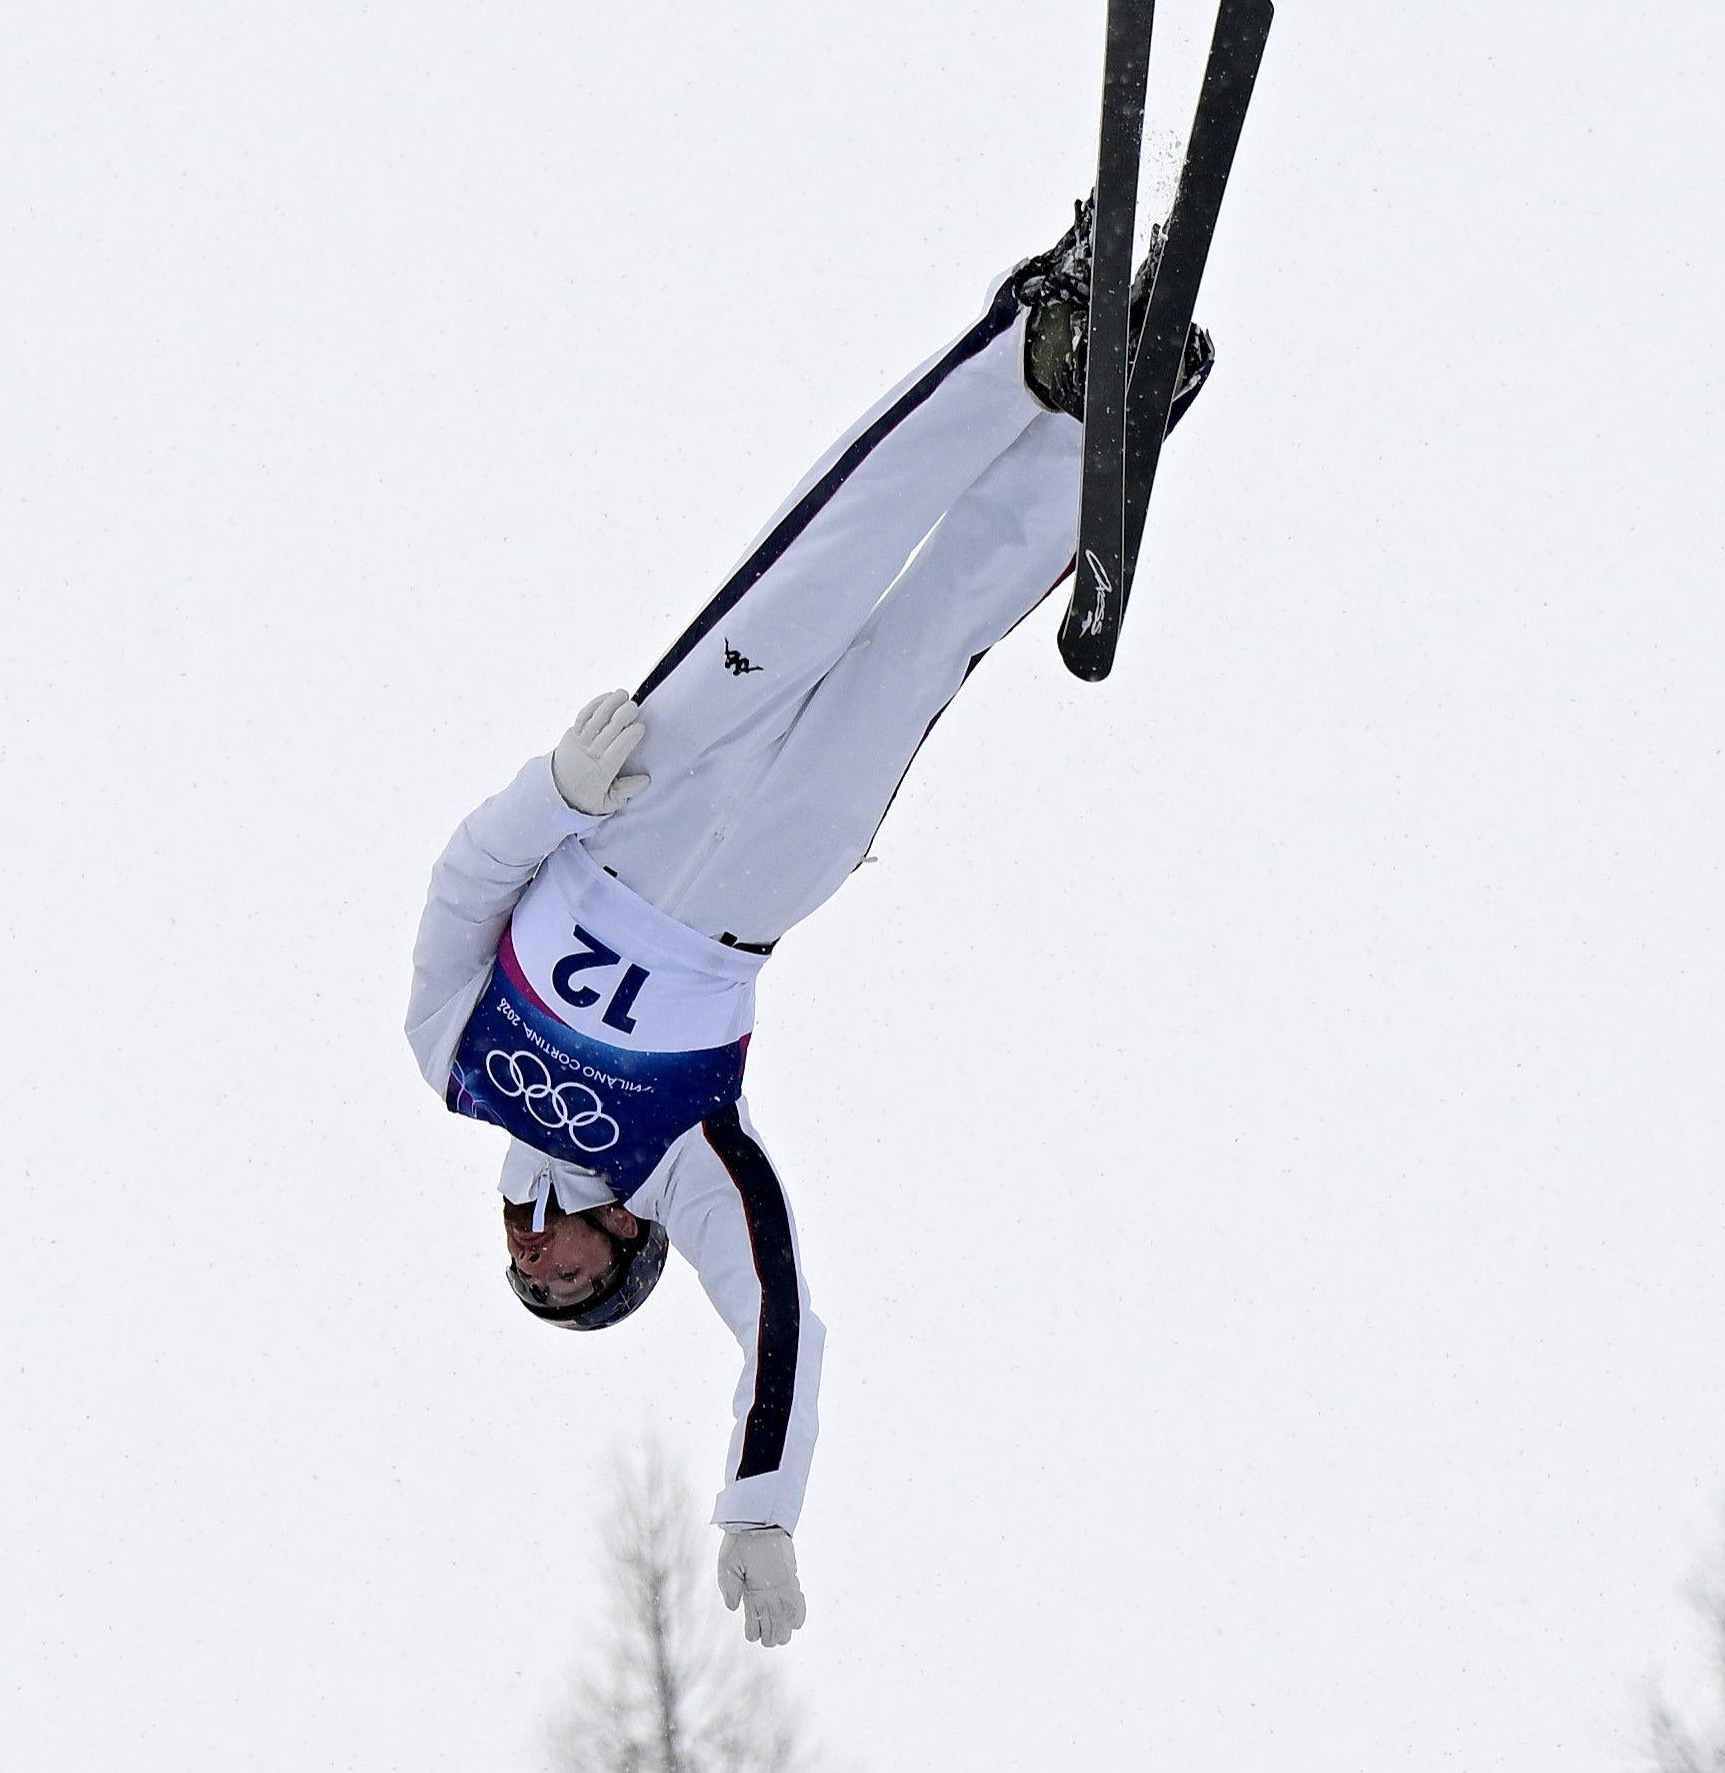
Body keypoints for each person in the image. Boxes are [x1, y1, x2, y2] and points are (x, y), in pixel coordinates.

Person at [403, 209, 1208, 1647]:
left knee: (819, 573)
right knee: (928, 636)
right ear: (625, 1262)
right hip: (770, 883)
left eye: (524, 1277)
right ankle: (1094, 419)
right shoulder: (684, 1166)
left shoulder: (455, 1066)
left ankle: (1020, 343)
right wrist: (760, 1506)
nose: (535, 1265)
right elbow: (781, 1323)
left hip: (636, 798)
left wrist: (553, 791)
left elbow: (464, 889)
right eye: (566, 1291)